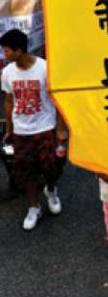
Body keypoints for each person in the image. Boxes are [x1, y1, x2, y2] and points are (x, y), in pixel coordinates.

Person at [1, 28, 67, 231]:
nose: (5, 54)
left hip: (45, 127)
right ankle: (33, 206)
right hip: (22, 131)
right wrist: (10, 129)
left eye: (8, 50)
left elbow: (57, 100)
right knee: (25, 171)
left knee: (51, 166)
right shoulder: (7, 72)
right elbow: (9, 101)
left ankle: (51, 190)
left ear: (19, 50)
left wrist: (60, 129)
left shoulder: (45, 69)